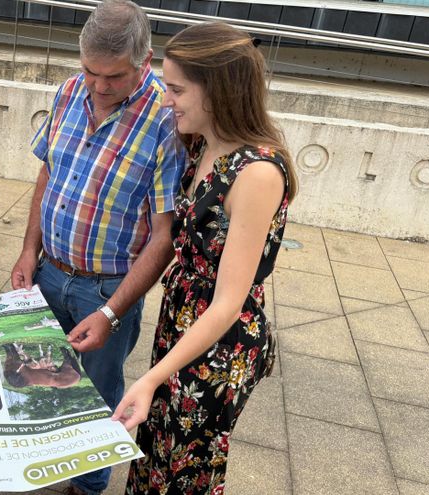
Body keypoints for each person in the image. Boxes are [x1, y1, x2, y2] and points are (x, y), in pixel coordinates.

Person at [111, 22, 299, 494]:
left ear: (216, 90)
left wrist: (149, 378)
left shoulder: (256, 172)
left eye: (175, 89)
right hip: (184, 328)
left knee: (185, 468)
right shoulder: (203, 145)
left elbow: (228, 303)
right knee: (157, 450)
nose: (165, 99)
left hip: (220, 346)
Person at [10, 2, 186, 493]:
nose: (99, 85)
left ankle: (85, 487)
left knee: (98, 394)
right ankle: (38, 464)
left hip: (108, 290)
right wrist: (28, 252)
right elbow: (49, 173)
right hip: (49, 273)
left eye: (114, 76)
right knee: (35, 379)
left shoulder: (166, 119)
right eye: (90, 71)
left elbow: (164, 234)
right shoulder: (69, 91)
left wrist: (111, 313)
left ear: (145, 61)